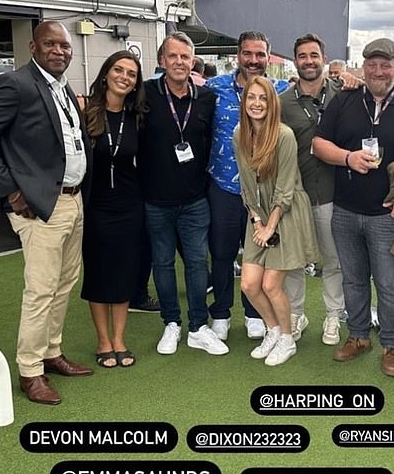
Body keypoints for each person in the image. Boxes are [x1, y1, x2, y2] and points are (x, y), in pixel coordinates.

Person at [0, 21, 93, 404]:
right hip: (39, 207)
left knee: (65, 282)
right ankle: (30, 371)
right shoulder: (15, 85)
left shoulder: (61, 88)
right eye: (51, 44)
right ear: (33, 46)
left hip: (73, 199)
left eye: (65, 46)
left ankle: (51, 352)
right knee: (41, 289)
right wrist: (12, 192)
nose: (60, 51)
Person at [313, 37, 394, 377]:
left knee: (390, 284)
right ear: (363, 67)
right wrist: (348, 157)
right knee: (353, 279)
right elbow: (319, 144)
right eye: (372, 64)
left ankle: (393, 345)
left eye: (386, 64)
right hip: (346, 210)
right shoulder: (344, 100)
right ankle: (359, 336)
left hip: (387, 212)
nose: (379, 70)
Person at [139, 31, 227, 357]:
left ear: (193, 63)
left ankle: (198, 327)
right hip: (155, 199)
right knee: (162, 264)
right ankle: (171, 323)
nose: (179, 62)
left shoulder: (206, 97)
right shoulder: (144, 93)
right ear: (162, 60)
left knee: (196, 264)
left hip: (195, 200)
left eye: (185, 57)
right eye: (173, 56)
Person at [206, 32, 290, 341]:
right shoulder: (213, 89)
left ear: (269, 57)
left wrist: (348, 79)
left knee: (257, 254)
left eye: (260, 54)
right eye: (247, 54)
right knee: (222, 252)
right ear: (237, 56)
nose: (253, 60)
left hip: (263, 193)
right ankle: (221, 313)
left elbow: (319, 91)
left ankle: (254, 313)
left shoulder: (282, 90)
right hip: (224, 187)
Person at [234, 76, 318, 366]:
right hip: (258, 215)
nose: (256, 104)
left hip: (286, 212)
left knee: (271, 284)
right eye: (251, 98)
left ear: (272, 104)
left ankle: (287, 340)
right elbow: (246, 185)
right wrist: (256, 220)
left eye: (263, 99)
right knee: (248, 284)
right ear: (244, 102)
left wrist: (270, 225)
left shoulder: (284, 135)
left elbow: (285, 187)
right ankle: (273, 330)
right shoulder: (239, 135)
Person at [80, 50, 146, 368]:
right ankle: (102, 341)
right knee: (98, 274)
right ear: (106, 73)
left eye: (131, 74)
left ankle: (119, 339)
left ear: (135, 84)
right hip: (95, 207)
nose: (124, 77)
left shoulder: (137, 117)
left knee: (122, 273)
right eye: (118, 70)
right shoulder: (86, 112)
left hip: (129, 207)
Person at [280, 33, 345, 345]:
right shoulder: (282, 103)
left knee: (334, 260)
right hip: (296, 194)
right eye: (302, 56)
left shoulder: (344, 94)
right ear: (296, 61)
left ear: (323, 57)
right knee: (294, 261)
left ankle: (334, 315)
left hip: (334, 193)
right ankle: (296, 313)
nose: (308, 61)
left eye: (313, 55)